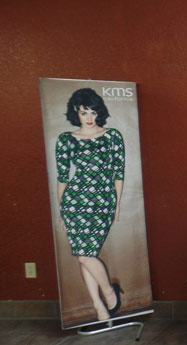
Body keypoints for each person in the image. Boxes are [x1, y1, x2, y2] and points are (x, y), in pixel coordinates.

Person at [56, 88, 125, 321]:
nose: (89, 117)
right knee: (83, 255)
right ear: (76, 111)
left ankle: (108, 292)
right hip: (74, 203)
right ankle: (99, 306)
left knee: (86, 254)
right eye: (84, 111)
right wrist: (61, 213)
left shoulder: (113, 136)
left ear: (99, 113)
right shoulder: (66, 139)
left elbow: (118, 173)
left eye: (93, 112)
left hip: (103, 200)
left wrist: (117, 204)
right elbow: (63, 178)